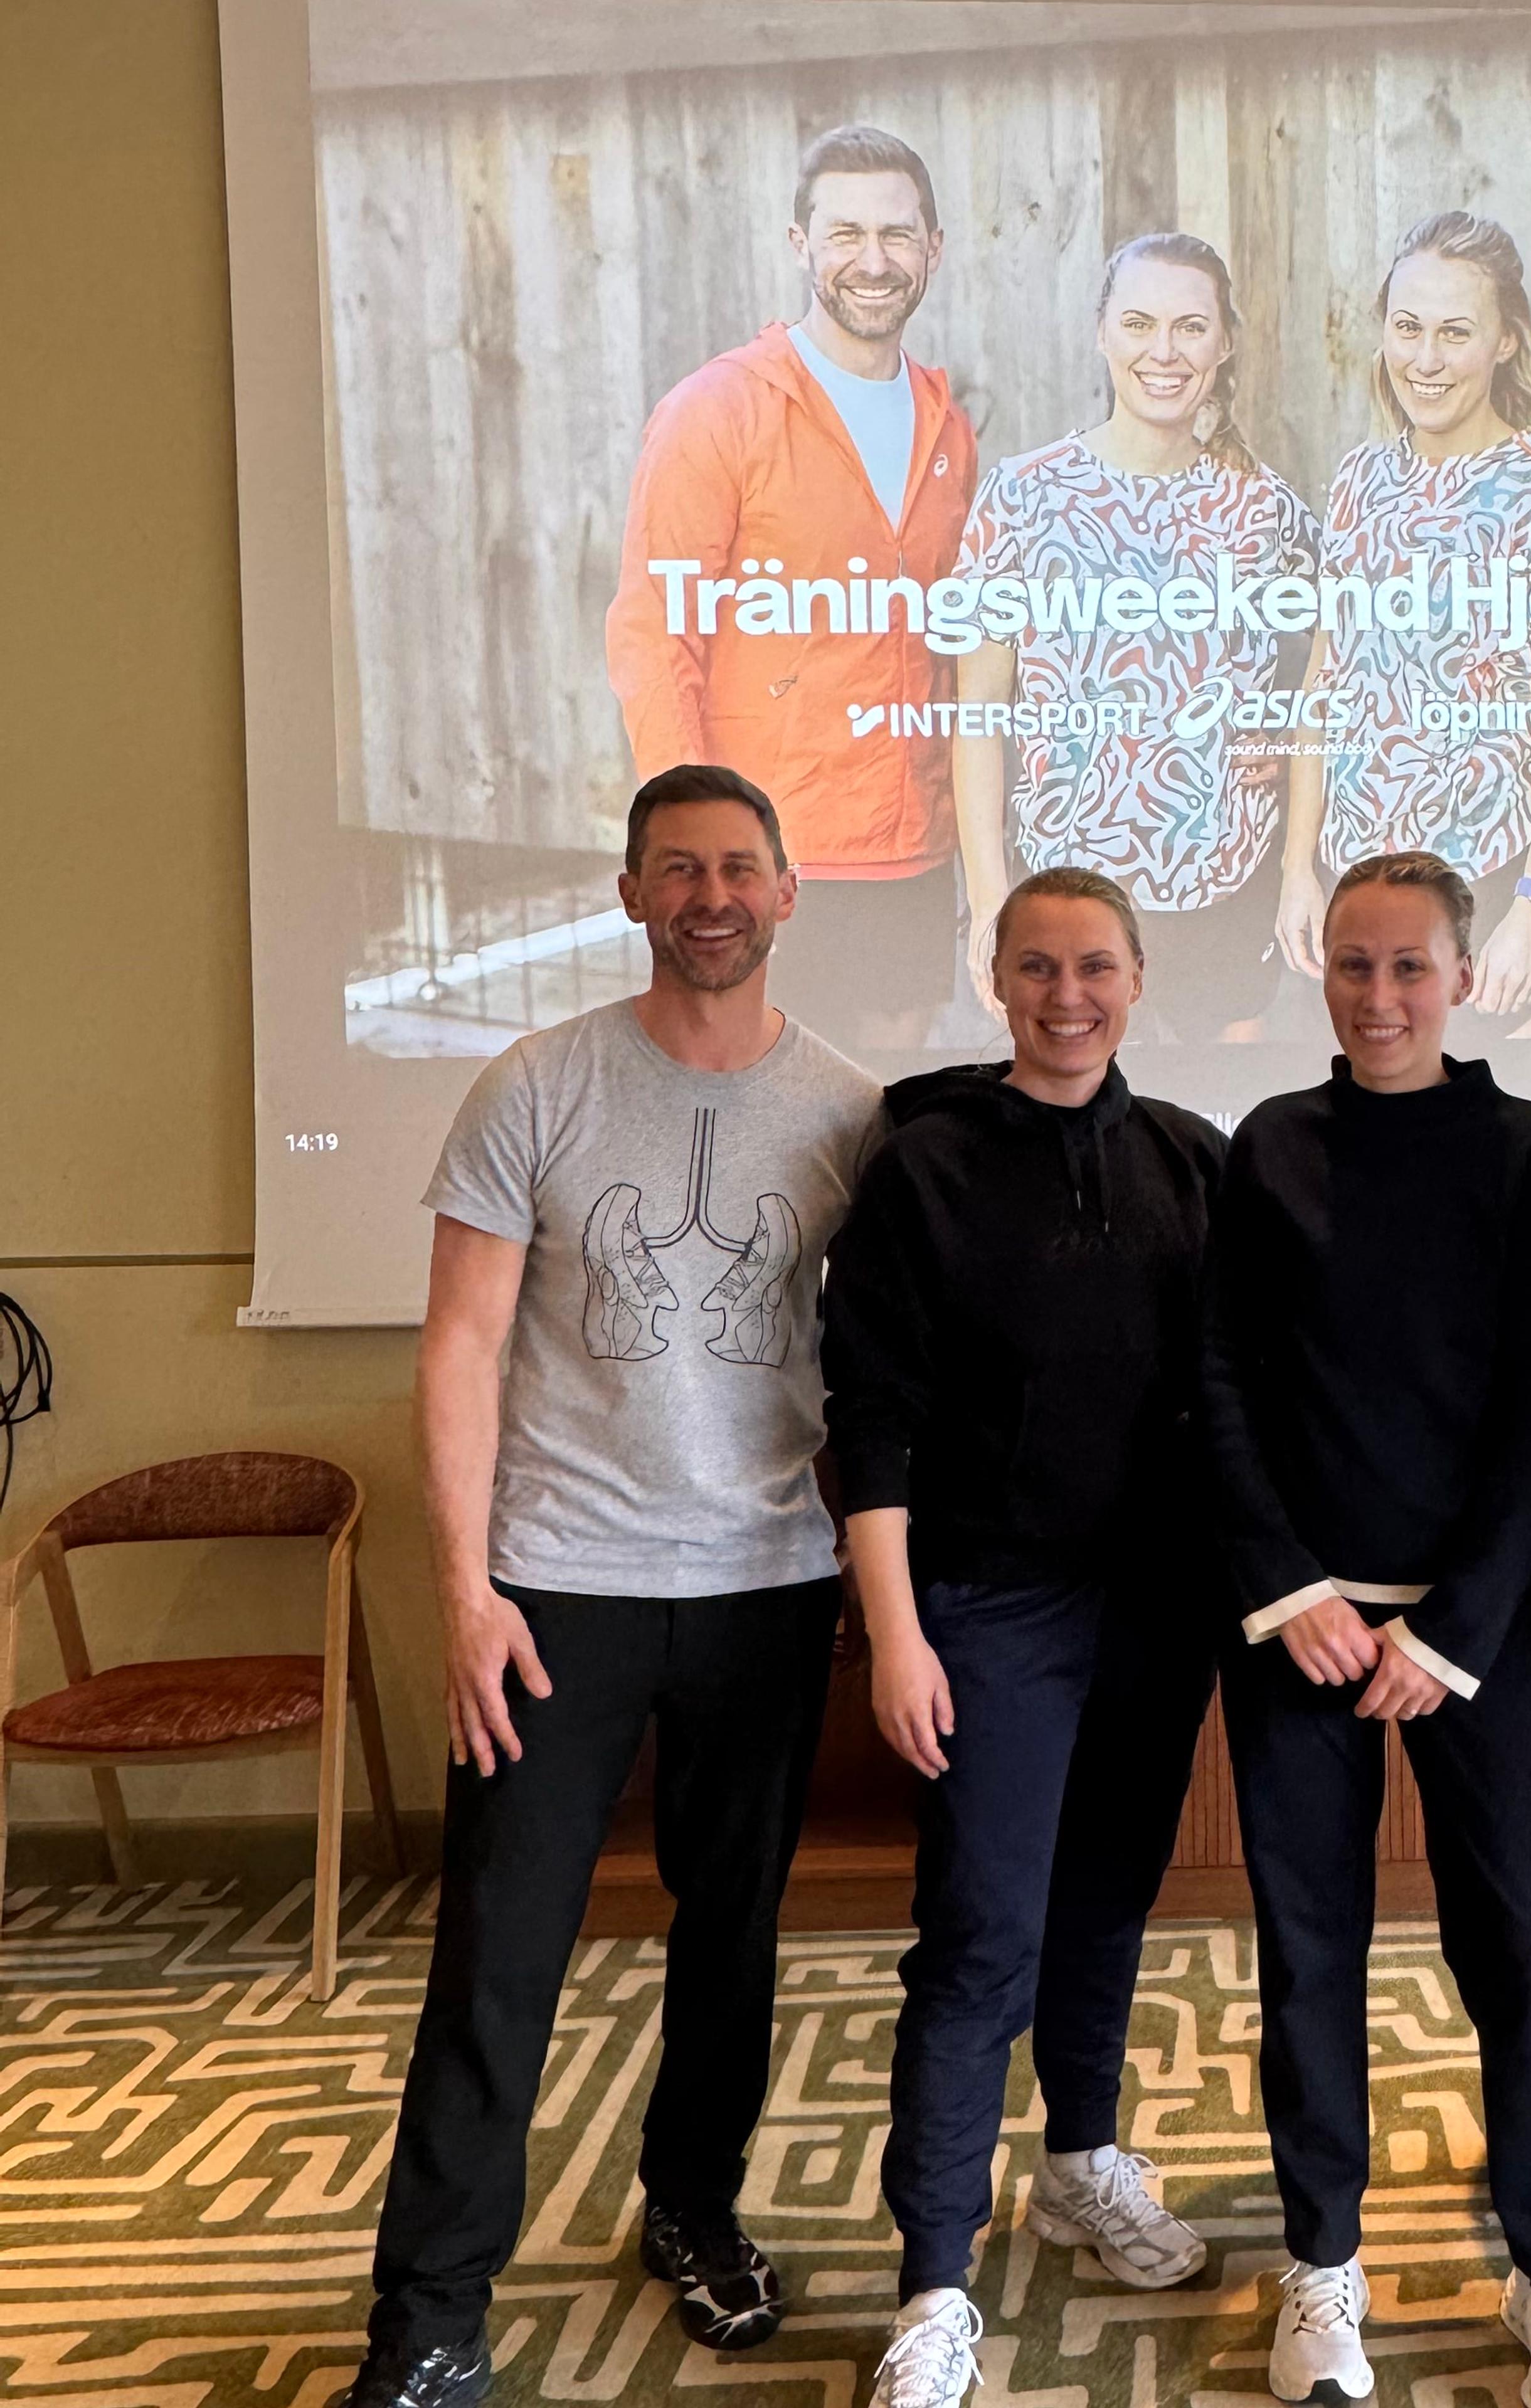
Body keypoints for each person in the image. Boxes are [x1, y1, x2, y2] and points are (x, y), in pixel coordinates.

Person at [339, 764, 885, 2408]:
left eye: (740, 866)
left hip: (765, 1585)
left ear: (790, 892)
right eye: (677, 869)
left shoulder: (856, 1115)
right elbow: (462, 1348)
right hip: (555, 1587)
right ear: (631, 893)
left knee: (734, 1935)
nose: (711, 893)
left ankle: (696, 2208)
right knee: (501, 1948)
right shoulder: (536, 1086)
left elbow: (890, 1370)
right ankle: (429, 2312)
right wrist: (466, 1591)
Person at [1204, 851, 1531, 2408]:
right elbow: (1227, 1380)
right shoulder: (1269, 1146)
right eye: (1354, 965)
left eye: (1410, 969)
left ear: (1462, 978)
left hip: (1485, 1636)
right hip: (1301, 1630)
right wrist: (1292, 1584)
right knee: (1308, 1957)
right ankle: (1323, 2273)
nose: (1380, 998)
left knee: (1521, 1952)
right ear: (1324, 969)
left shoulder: (1524, 1152)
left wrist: (1452, 1625)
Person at [821, 868, 1226, 2408]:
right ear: (998, 979)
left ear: (1138, 980)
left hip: (1155, 1611)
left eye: (1099, 968)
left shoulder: (1192, 1163)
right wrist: (897, 1634)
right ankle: (934, 2280)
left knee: (1106, 1907)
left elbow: (1235, 1398)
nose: (1071, 995)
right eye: (1040, 967)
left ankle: (1079, 2159)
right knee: (982, 1934)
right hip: (985, 1611)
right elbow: (874, 1417)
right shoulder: (922, 1168)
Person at [605, 124, 977, 1050]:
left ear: (933, 250)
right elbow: (655, 637)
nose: (874, 261)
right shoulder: (719, 411)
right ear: (800, 244)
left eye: (897, 235)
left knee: (883, 1121)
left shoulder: (947, 425)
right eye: (846, 234)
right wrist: (688, 854)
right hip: (769, 859)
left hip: (912, 855)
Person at [953, 232, 1320, 1042]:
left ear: (1224, 344)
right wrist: (989, 902)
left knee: (1216, 1136)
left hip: (1226, 890)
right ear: (1102, 331)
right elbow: (979, 713)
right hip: (1068, 895)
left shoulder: (1270, 512)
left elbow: (1339, 674)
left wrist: (1297, 753)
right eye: (1140, 323)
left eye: (1192, 327)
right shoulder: (1023, 499)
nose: (1166, 351)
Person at [1275, 214, 1531, 1032]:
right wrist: (1296, 869)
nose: (1425, 361)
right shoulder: (1359, 479)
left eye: (1455, 334)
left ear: (1504, 341)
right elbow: (1325, 686)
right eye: (1408, 328)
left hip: (1487, 893)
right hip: (1355, 890)